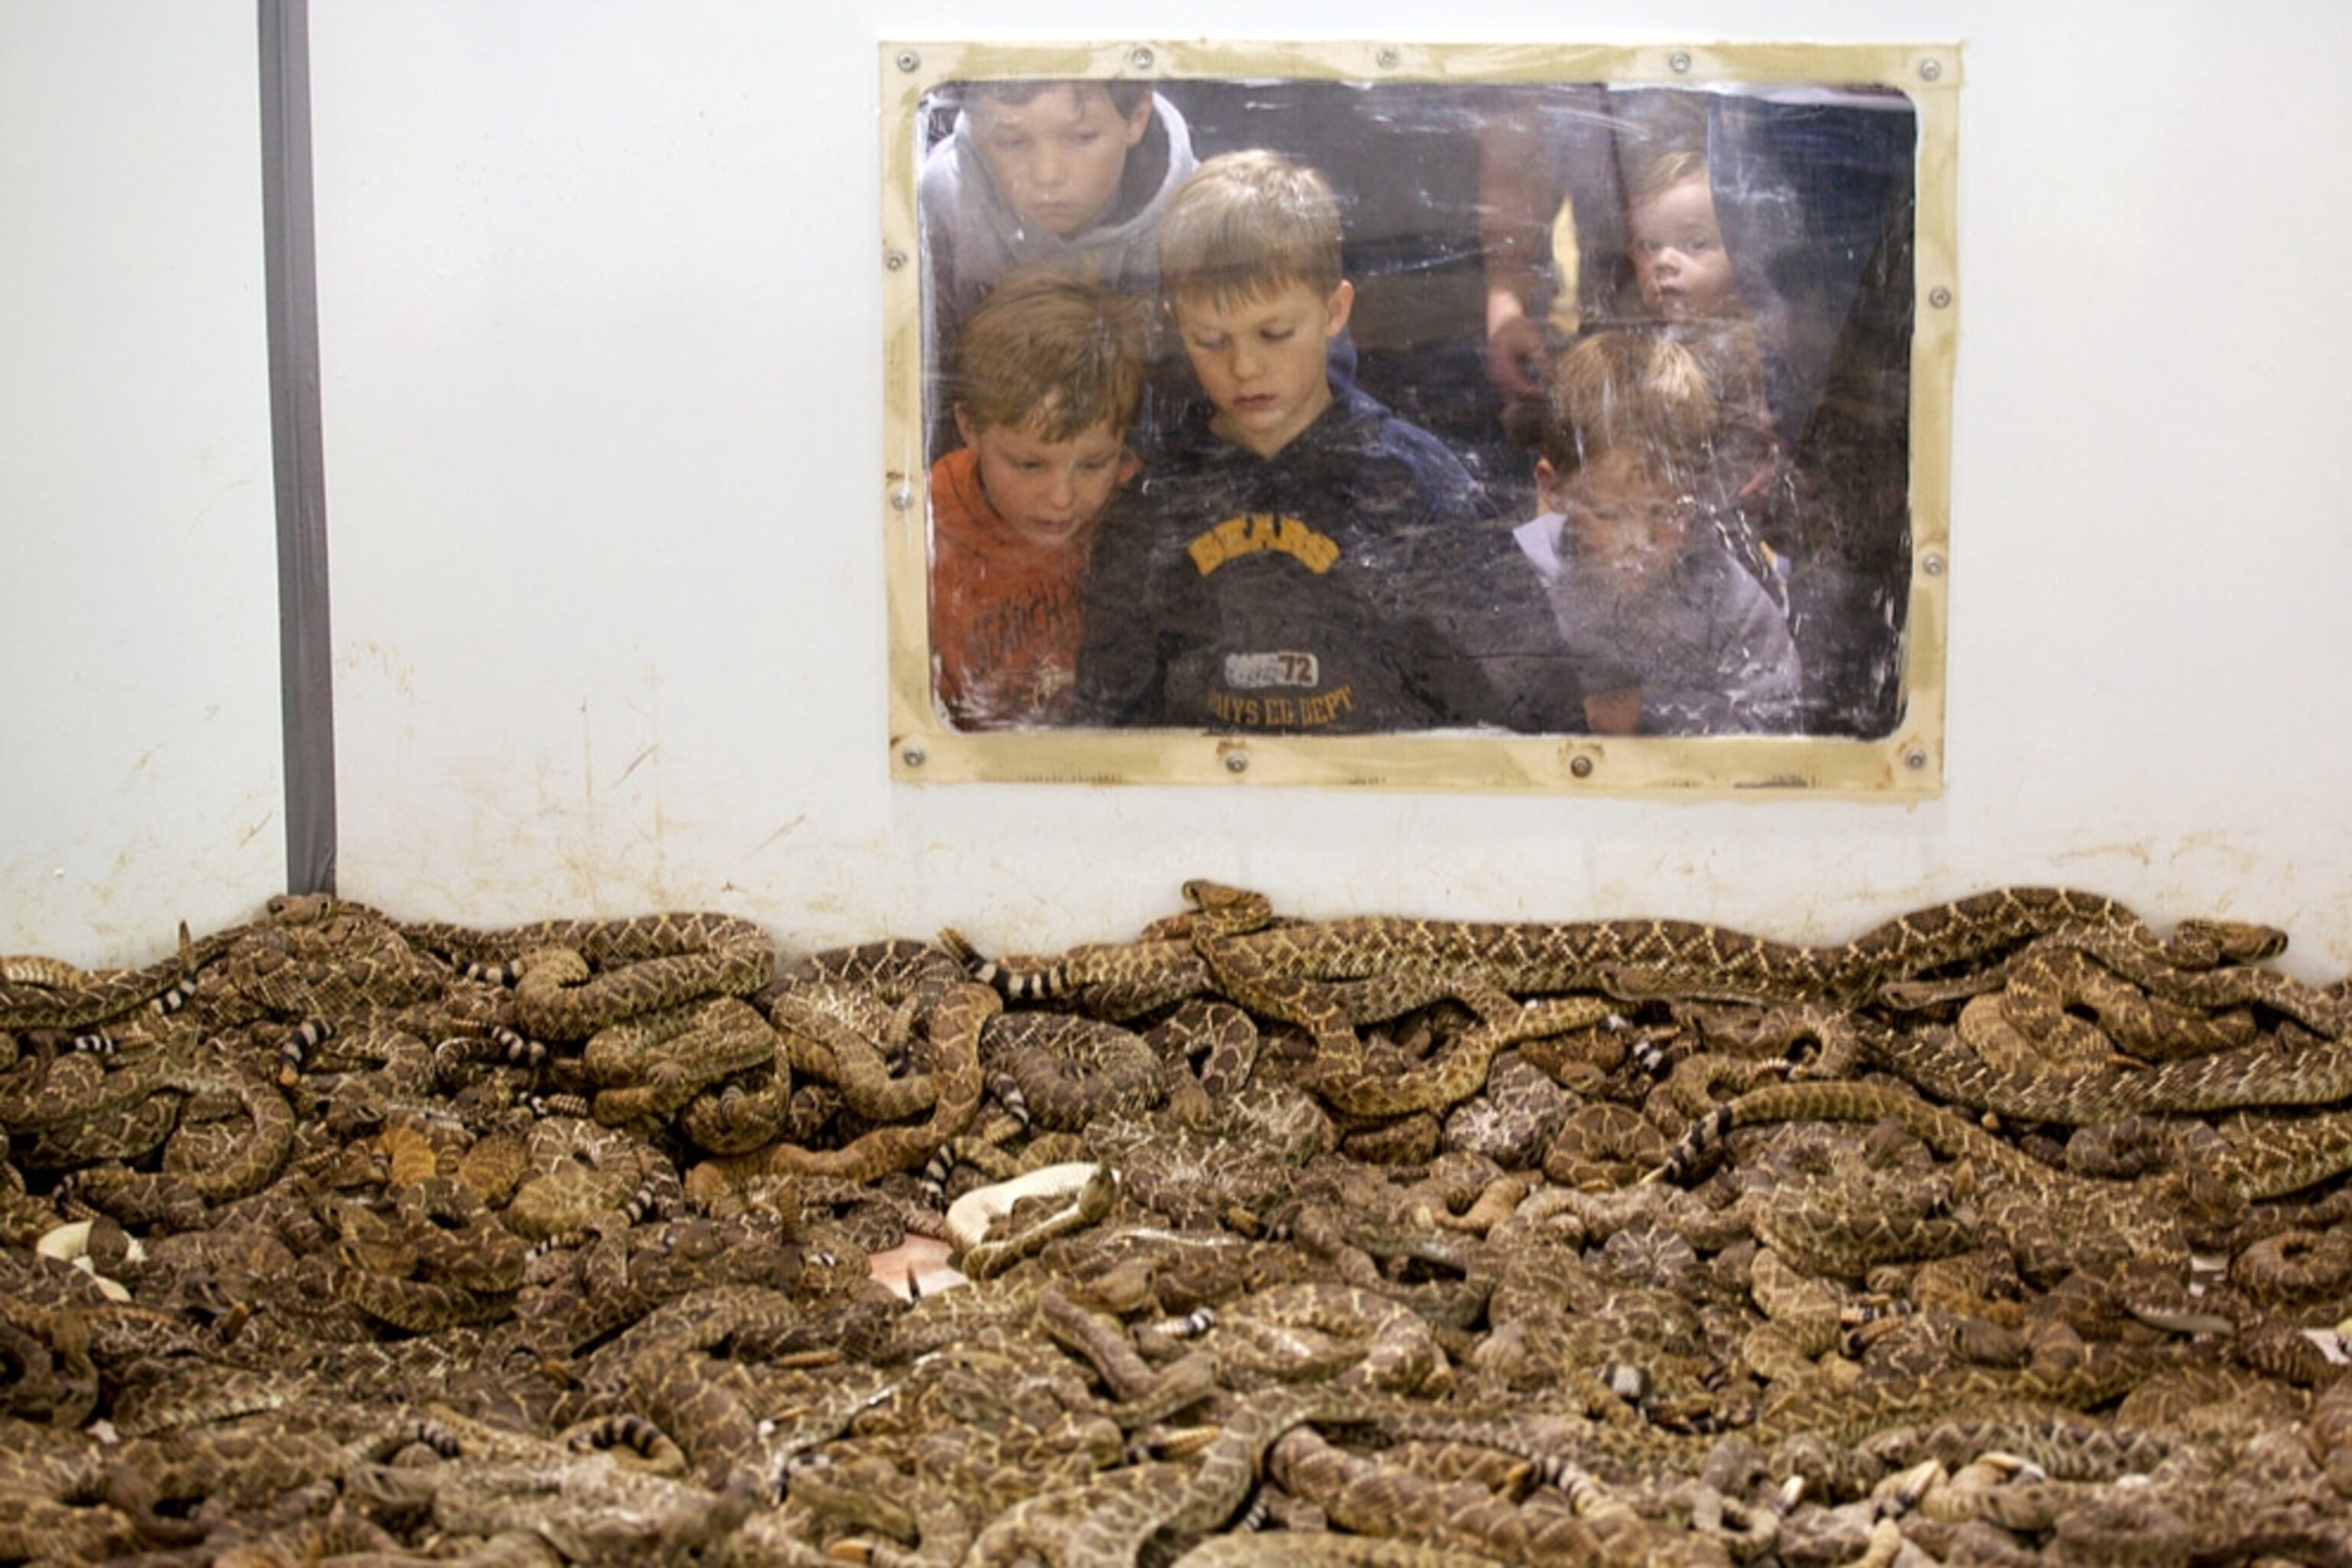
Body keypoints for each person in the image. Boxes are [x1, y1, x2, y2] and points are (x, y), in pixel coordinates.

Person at [1073, 150, 1574, 734]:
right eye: (1209, 340)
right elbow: (1107, 727)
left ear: (1335, 309)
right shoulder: (1155, 506)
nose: (1244, 367)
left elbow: (1533, 714)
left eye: (1275, 333)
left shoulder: (1415, 487)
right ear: (1174, 321)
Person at [1512, 328, 1802, 736]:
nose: (1639, 543)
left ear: (1699, 488)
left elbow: (1779, 737)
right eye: (1610, 514)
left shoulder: (1734, 607)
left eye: (1667, 513)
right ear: (1553, 489)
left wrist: (1650, 711)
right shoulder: (1521, 580)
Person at [926, 271, 1147, 730]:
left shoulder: (1139, 513)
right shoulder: (925, 525)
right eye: (1029, 465)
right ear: (970, 427)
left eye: (1092, 465)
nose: (1062, 498)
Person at [919, 79, 1197, 378]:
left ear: (1137, 116)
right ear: (975, 125)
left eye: (1082, 137)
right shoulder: (939, 205)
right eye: (1011, 142)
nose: (1047, 174)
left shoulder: (1195, 214)